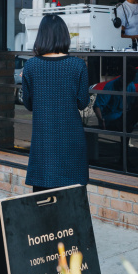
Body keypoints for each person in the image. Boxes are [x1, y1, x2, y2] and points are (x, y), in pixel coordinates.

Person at [22, 15, 90, 192]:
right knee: (72, 203)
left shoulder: (31, 66)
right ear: (64, 35)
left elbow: (28, 104)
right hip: (71, 140)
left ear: (41, 36)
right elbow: (83, 103)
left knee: (42, 203)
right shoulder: (78, 65)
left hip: (43, 142)